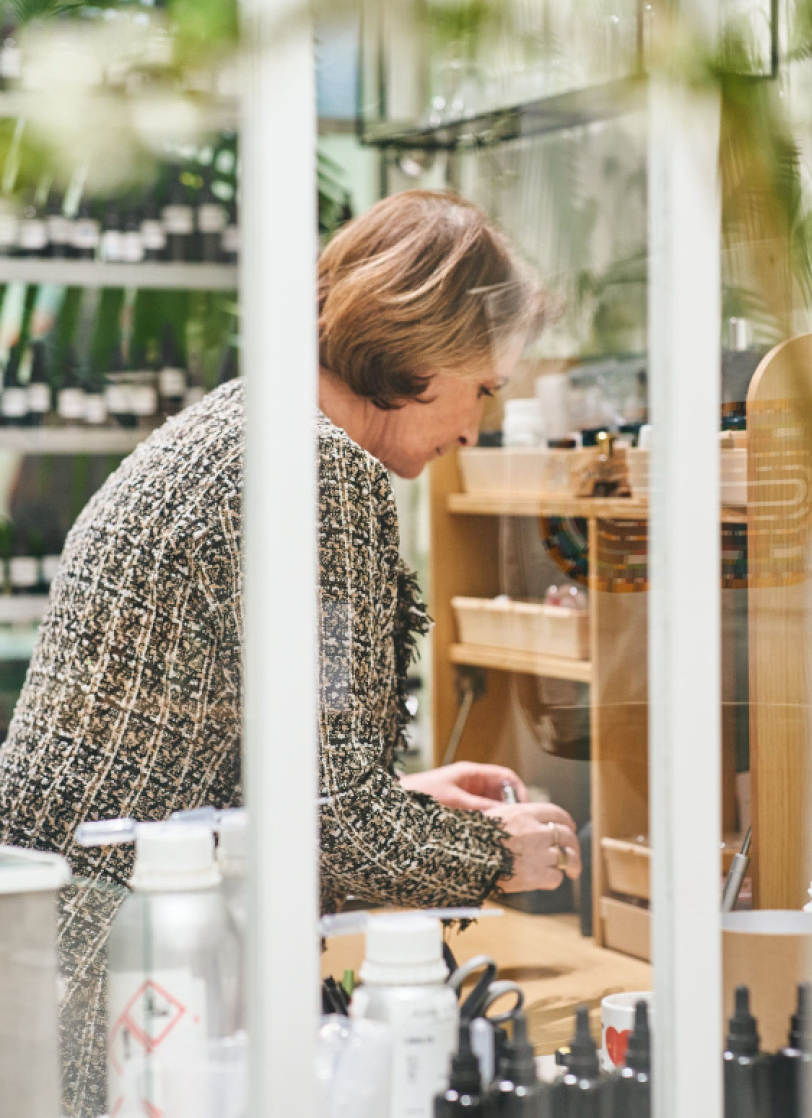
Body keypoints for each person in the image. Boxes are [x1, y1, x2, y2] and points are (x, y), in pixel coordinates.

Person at [0, 189, 578, 1115]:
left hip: (61, 954)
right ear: (425, 342)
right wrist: (495, 849)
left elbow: (264, 781)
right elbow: (336, 820)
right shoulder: (319, 470)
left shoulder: (246, 426)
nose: (475, 428)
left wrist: (407, 803)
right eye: (485, 390)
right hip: (129, 981)